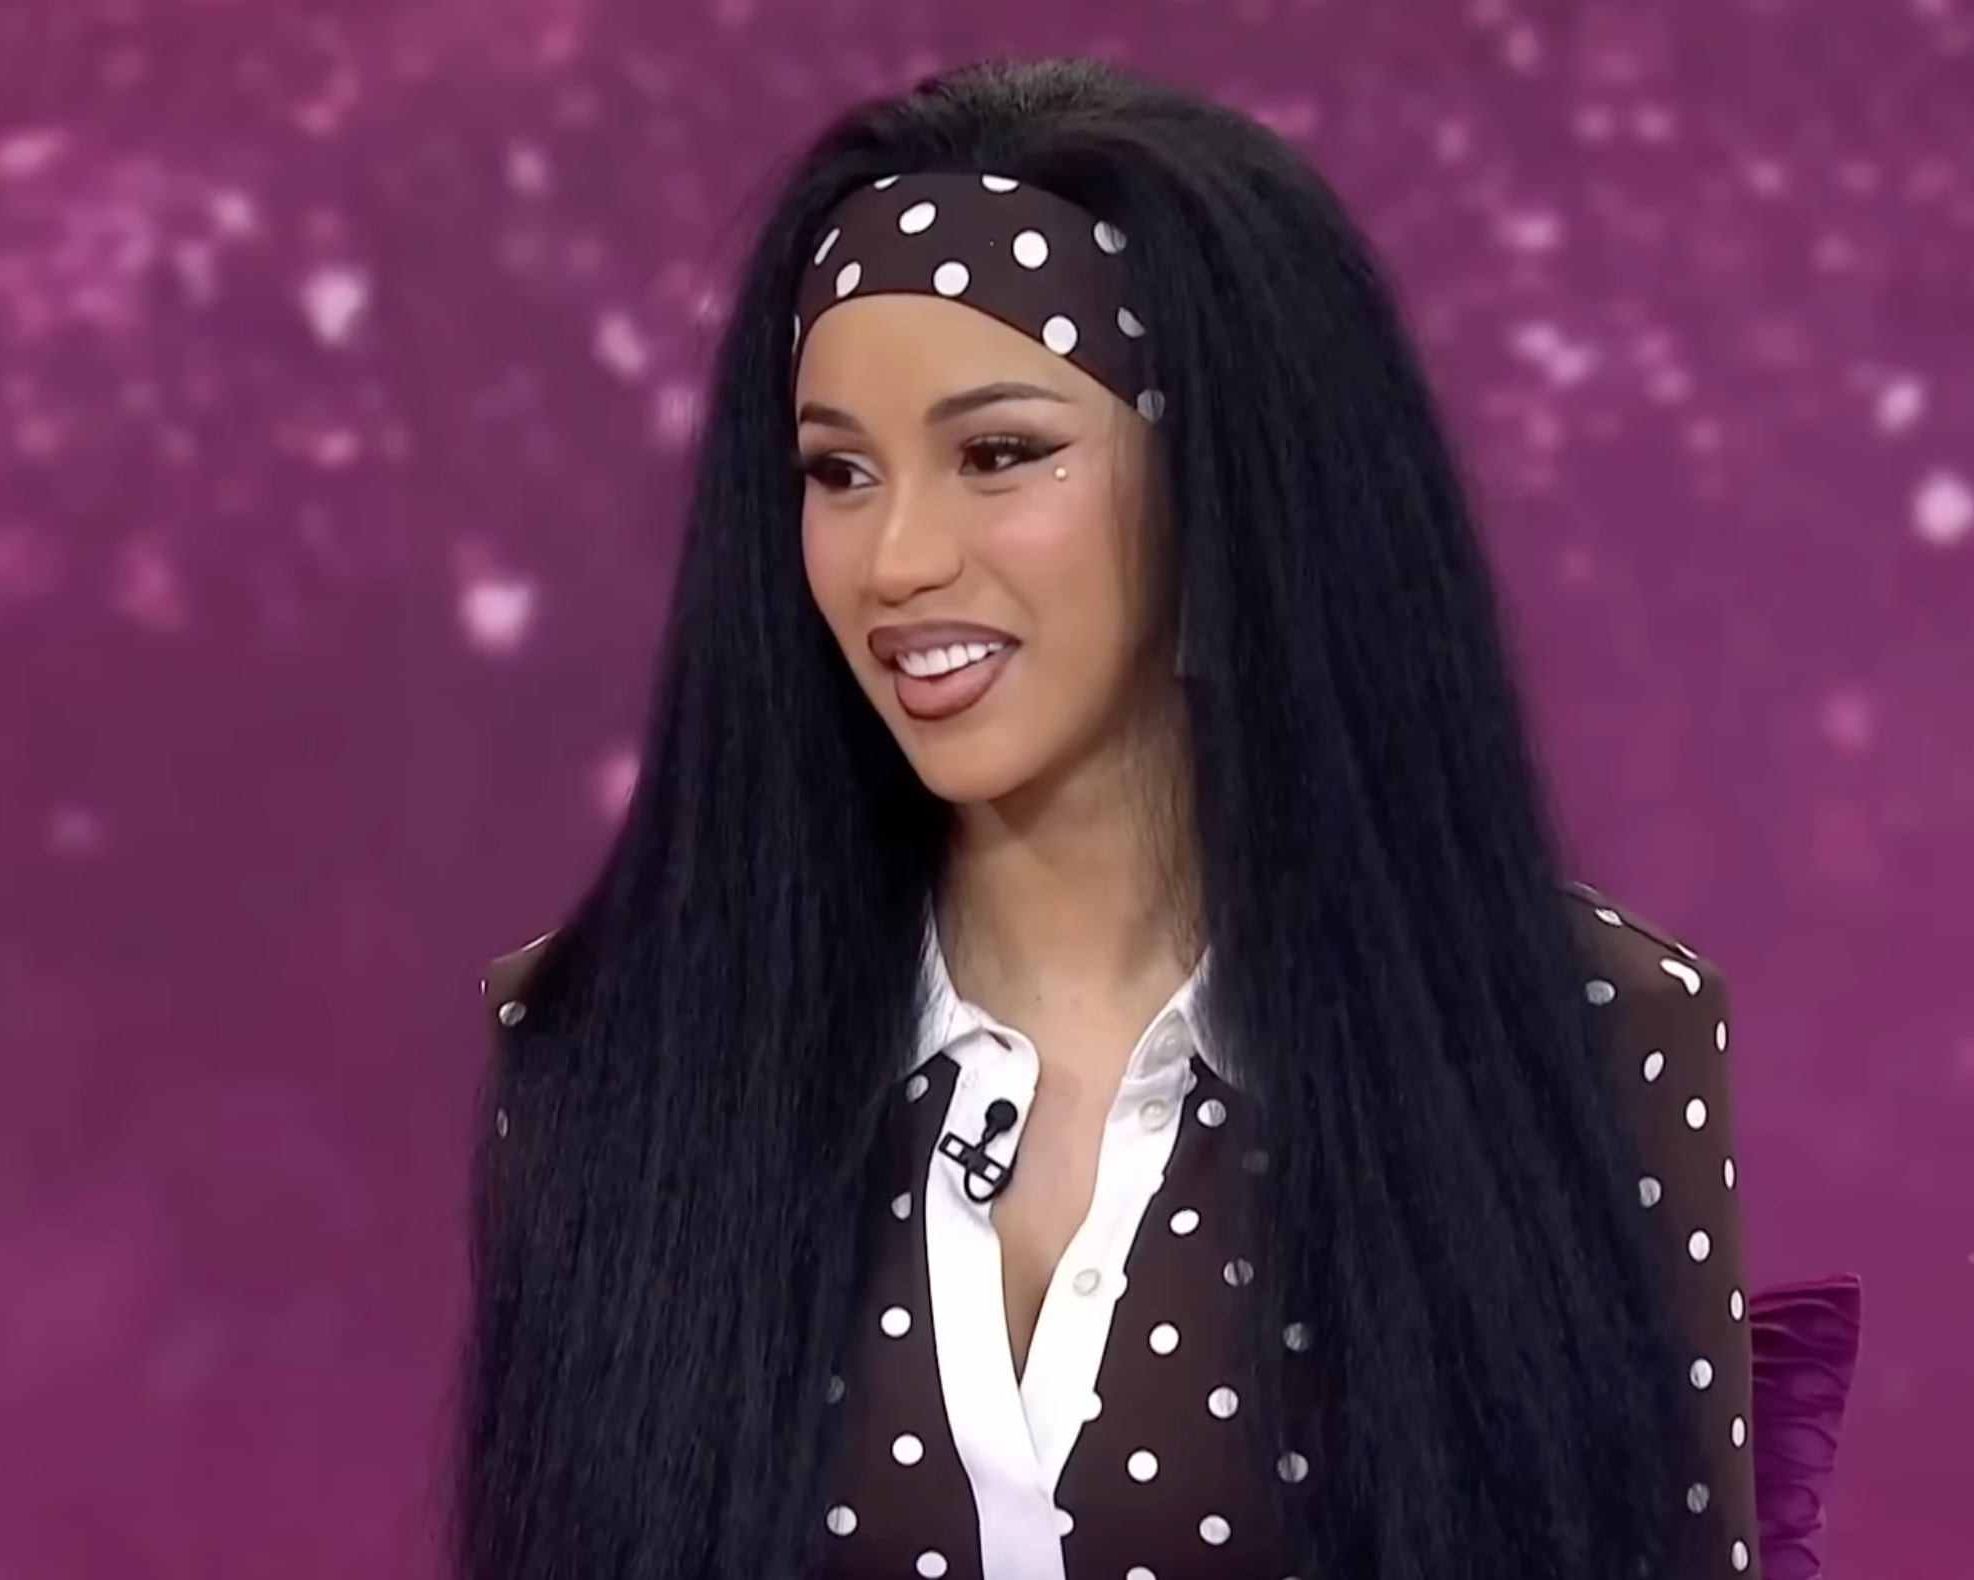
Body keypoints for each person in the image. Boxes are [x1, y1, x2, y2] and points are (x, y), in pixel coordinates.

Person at [457, 56, 1758, 1580]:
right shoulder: (605, 1044)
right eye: (836, 472)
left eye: (999, 453)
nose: (894, 560)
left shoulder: (1591, 1032)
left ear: (1232, 478)